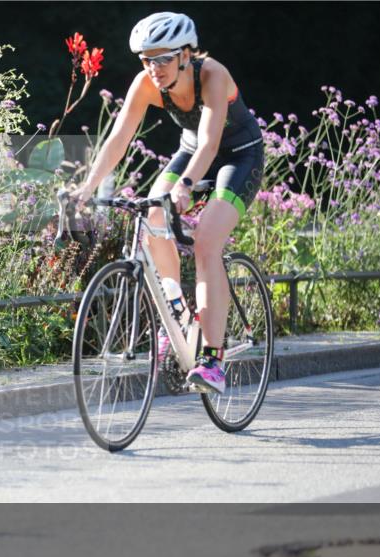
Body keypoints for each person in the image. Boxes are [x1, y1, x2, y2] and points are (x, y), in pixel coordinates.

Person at [71, 12, 264, 393]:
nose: (153, 68)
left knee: (206, 242)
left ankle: (213, 360)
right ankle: (176, 312)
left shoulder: (213, 75)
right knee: (151, 214)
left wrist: (187, 185)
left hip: (238, 156)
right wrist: (88, 187)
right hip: (190, 151)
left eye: (162, 59)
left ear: (186, 55)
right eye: (146, 60)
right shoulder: (146, 83)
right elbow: (119, 138)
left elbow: (210, 143)